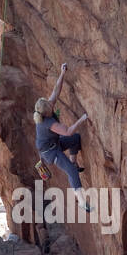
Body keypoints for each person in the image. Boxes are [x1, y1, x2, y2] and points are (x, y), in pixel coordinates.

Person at [34, 62, 89, 194]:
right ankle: (80, 198)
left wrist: (62, 72)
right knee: (71, 171)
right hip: (51, 152)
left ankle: (74, 163)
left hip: (55, 144)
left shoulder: (45, 109)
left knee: (76, 139)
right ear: (47, 113)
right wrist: (82, 119)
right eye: (50, 107)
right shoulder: (48, 123)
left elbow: (56, 90)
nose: (52, 105)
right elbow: (68, 131)